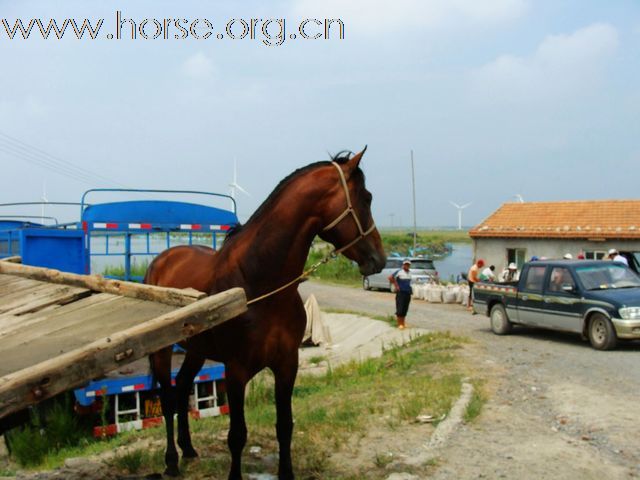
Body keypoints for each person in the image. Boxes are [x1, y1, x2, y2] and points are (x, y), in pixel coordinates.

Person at [388, 259, 412, 329]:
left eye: (408, 264)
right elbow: (390, 277)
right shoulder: (399, 272)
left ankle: (403, 323)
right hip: (401, 292)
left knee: (405, 308)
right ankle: (399, 324)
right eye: (405, 264)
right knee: (400, 309)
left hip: (407, 292)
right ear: (403, 265)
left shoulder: (410, 272)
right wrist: (396, 285)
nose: (407, 266)